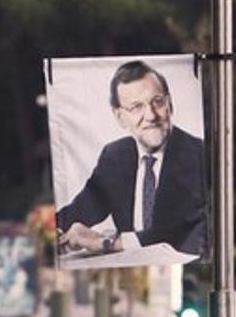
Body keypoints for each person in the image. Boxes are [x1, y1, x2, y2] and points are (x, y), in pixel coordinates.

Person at [56, 60, 206, 257]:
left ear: (170, 104)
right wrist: (51, 231)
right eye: (136, 107)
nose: (151, 115)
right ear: (120, 117)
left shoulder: (199, 155)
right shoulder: (115, 157)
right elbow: (82, 209)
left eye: (157, 102)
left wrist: (106, 243)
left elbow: (174, 233)